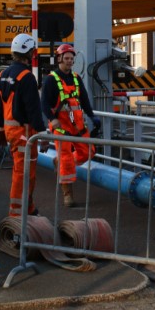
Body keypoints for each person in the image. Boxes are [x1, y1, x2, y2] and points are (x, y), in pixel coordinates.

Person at [0, 33, 47, 217]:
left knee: (22, 171)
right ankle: (17, 215)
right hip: (23, 133)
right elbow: (33, 109)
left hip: (10, 131)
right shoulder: (26, 77)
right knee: (24, 174)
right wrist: (42, 135)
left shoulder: (2, 75)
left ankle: (28, 208)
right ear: (29, 52)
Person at [41, 43, 100, 207]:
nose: (69, 61)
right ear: (59, 59)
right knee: (66, 159)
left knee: (89, 152)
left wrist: (92, 115)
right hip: (61, 127)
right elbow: (44, 103)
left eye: (71, 59)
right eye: (66, 58)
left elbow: (84, 100)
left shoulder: (76, 78)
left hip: (78, 125)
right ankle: (68, 195)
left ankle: (59, 163)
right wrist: (52, 119)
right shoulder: (51, 80)